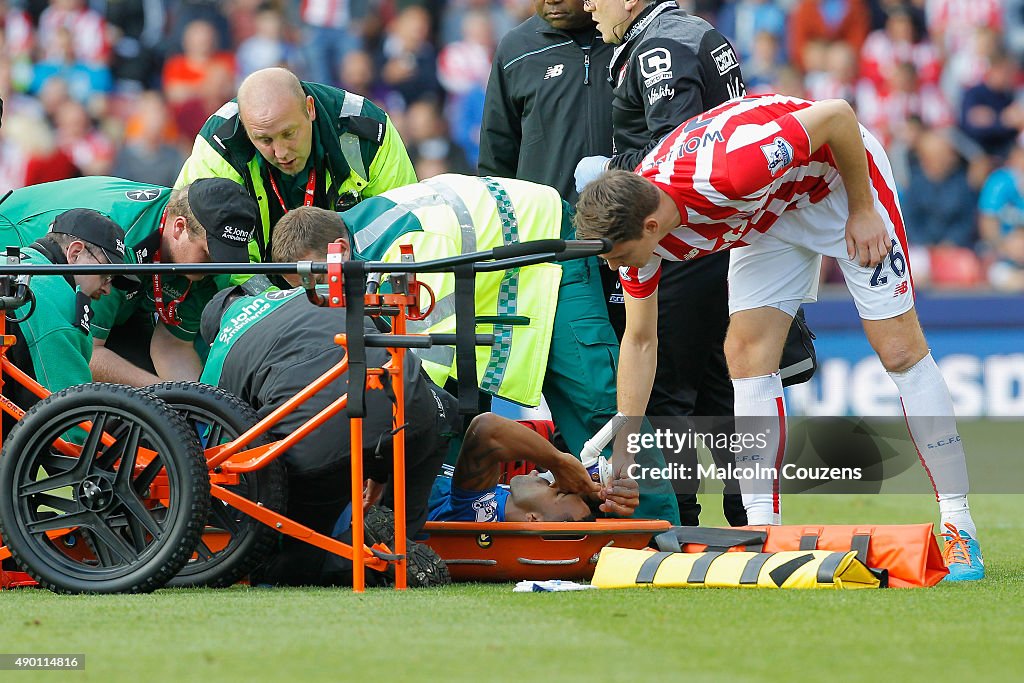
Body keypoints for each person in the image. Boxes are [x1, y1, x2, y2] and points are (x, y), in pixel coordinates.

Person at [574, 94, 984, 581]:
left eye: (618, 256)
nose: (614, 267)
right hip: (769, 213)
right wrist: (627, 436)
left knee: (899, 352)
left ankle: (960, 527)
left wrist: (862, 209)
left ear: (650, 226)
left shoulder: (729, 171)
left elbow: (837, 116)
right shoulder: (641, 225)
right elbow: (641, 340)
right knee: (745, 355)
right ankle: (762, 534)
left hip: (835, 184)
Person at [270, 199, 661, 521]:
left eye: (318, 279)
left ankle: (658, 528)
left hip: (546, 240)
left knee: (595, 399)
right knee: (601, 412)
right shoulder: (364, 240)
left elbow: (472, 417)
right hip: (527, 241)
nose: (319, 296)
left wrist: (560, 464)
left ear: (532, 521)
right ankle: (659, 526)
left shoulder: (474, 508)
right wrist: (592, 480)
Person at [575, 0, 749, 527]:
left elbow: (678, 147)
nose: (587, 5)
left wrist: (607, 168)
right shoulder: (693, 31)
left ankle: (684, 521)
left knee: (671, 386)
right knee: (723, 381)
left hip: (677, 234)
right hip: (720, 236)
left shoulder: (658, 47)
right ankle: (750, 515)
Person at [198, 284, 456, 587]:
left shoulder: (223, 348)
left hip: (317, 445)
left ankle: (363, 556)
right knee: (444, 416)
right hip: (410, 409)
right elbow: (393, 344)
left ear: (216, 333)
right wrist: (380, 470)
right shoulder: (310, 291)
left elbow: (214, 443)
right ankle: (401, 539)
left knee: (291, 553)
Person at [0, 176, 257, 386]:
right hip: (18, 249)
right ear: (179, 228)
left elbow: (173, 344)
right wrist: (162, 395)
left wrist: (201, 405)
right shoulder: (115, 248)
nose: (215, 266)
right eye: (208, 253)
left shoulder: (205, 261)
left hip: (106, 291)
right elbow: (89, 355)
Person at [175, 67, 417, 274]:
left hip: (349, 281)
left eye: (288, 134)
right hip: (254, 294)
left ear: (309, 109)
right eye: (264, 140)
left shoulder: (368, 133)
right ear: (247, 129)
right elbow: (203, 249)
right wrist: (278, 307)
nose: (281, 152)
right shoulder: (218, 150)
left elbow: (402, 229)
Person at [3, 209, 134, 428]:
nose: (108, 289)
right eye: (107, 274)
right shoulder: (60, 307)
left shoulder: (15, 260)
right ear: (75, 254)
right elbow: (72, 427)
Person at [428, 413, 605, 523]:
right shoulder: (502, 499)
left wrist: (559, 463)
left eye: (560, 493)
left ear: (533, 519)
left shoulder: (482, 511)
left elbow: (486, 429)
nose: (557, 483)